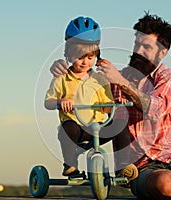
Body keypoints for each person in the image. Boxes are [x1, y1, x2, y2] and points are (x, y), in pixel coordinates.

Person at [50, 13, 171, 200]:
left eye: (146, 47)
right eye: (137, 44)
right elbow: (85, 85)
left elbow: (155, 109)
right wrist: (65, 69)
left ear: (163, 52)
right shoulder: (114, 79)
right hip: (141, 165)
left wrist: (121, 82)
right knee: (167, 186)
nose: (138, 51)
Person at [44, 16, 138, 180]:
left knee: (121, 124)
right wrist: (60, 102)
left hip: (98, 128)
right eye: (80, 57)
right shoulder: (61, 79)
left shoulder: (100, 80)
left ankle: (123, 166)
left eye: (90, 57)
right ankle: (71, 165)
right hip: (77, 129)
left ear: (96, 56)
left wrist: (114, 105)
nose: (84, 62)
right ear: (68, 54)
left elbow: (108, 104)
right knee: (68, 128)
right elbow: (48, 102)